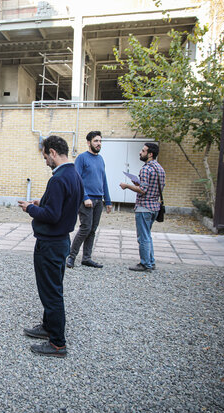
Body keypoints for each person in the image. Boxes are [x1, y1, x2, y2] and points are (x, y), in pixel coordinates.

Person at [18, 136, 84, 358]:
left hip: (51, 244)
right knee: (52, 288)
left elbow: (53, 215)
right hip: (61, 241)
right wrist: (42, 202)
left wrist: (30, 208)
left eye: (46, 156)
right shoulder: (74, 175)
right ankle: (48, 327)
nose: (46, 161)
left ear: (53, 153)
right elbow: (64, 206)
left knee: (51, 293)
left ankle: (57, 343)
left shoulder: (57, 179)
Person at [66, 131, 112, 269]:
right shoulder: (82, 158)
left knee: (92, 229)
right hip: (86, 200)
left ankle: (86, 258)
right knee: (85, 228)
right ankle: (71, 257)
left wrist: (108, 201)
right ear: (89, 142)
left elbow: (104, 180)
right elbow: (77, 179)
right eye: (96, 141)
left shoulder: (101, 159)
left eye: (100, 141)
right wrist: (85, 197)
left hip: (99, 200)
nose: (98, 143)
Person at [120, 142, 166, 272]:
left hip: (144, 207)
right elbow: (155, 187)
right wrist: (138, 183)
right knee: (148, 236)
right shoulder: (160, 169)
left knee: (143, 237)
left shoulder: (146, 169)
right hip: (155, 207)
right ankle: (151, 261)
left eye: (143, 151)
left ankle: (145, 264)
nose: (140, 152)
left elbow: (143, 190)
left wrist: (127, 185)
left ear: (150, 154)